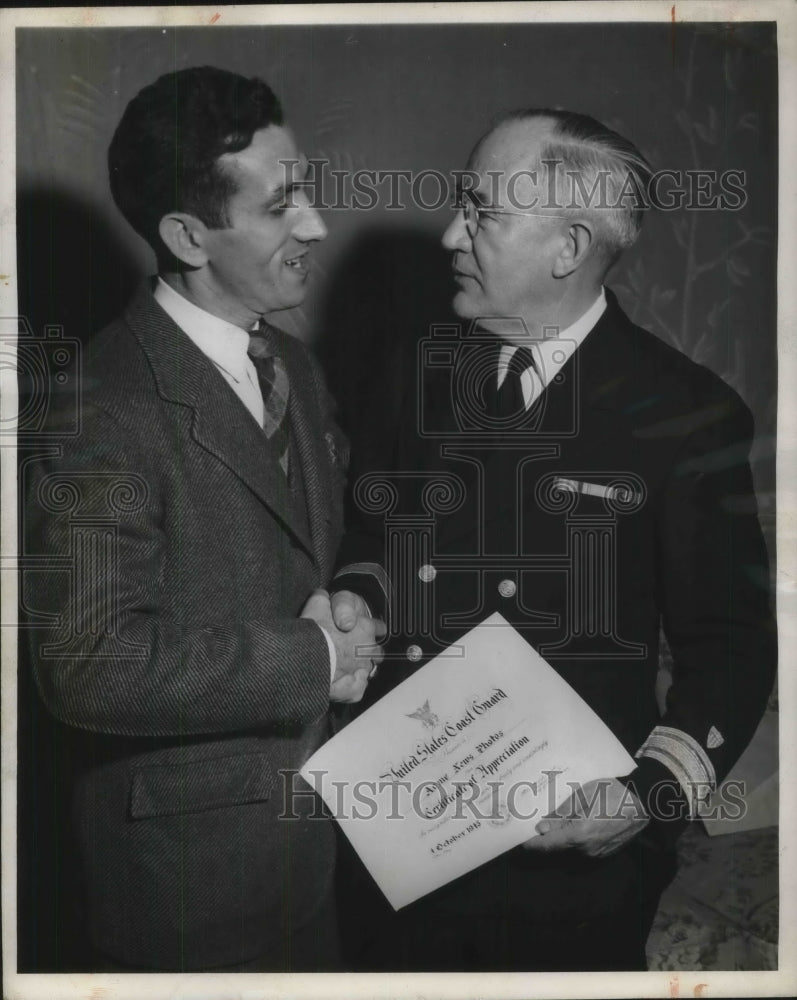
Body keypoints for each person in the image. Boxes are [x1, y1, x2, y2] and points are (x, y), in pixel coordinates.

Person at [335, 108, 776, 971]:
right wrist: (361, 596)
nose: (450, 234)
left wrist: (646, 795)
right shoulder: (413, 369)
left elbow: (728, 648)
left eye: (482, 213)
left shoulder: (686, 414)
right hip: (399, 828)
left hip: (562, 859)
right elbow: (373, 530)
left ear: (567, 248)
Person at [22, 65, 384, 972]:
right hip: (186, 901)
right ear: (188, 234)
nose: (316, 226)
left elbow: (314, 548)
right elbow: (89, 665)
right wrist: (316, 660)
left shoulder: (294, 366)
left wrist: (351, 597)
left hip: (311, 862)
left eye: (308, 192)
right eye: (282, 206)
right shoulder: (99, 405)